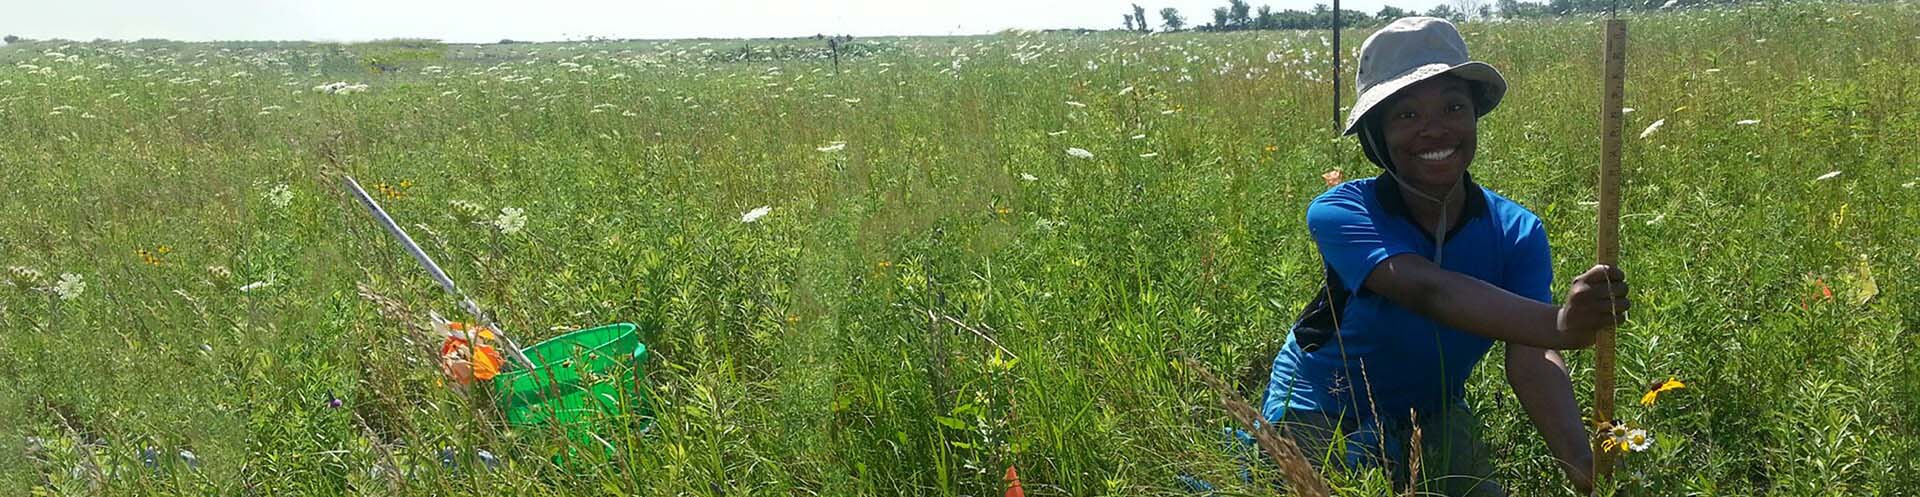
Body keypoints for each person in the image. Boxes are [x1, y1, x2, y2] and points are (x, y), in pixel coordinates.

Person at [1260, 17, 1630, 496]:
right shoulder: (1342, 211)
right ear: (1376, 137)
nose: (1435, 131)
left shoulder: (1516, 231)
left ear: (1474, 118)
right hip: (1321, 403)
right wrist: (1561, 322)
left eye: (1454, 107)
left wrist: (1580, 462)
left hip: (1430, 411)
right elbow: (1427, 289)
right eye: (1406, 116)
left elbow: (1532, 352)